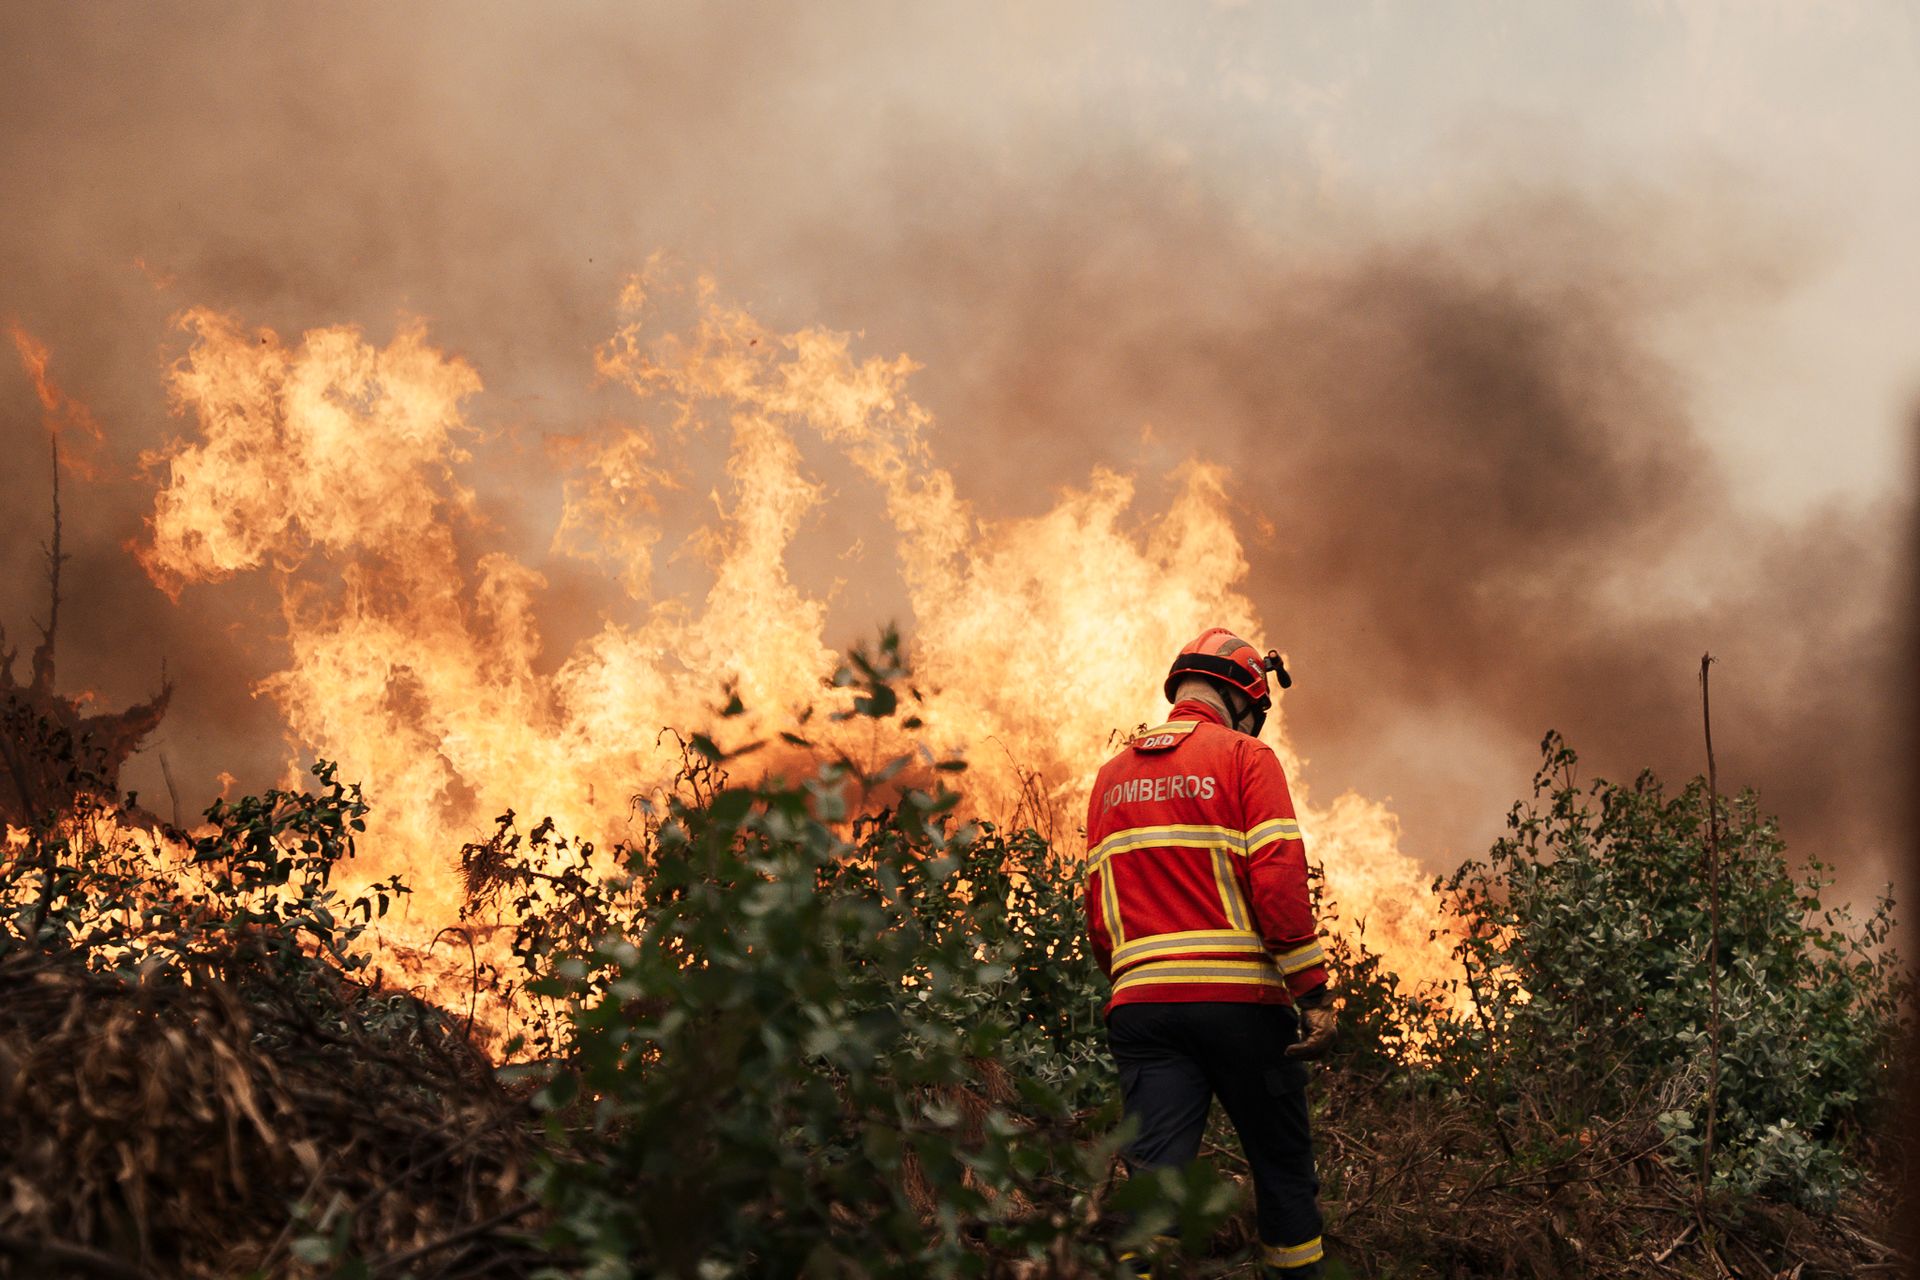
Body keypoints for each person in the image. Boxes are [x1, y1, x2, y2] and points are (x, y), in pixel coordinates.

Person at [1084, 628, 1336, 1279]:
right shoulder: (1247, 757)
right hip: (1243, 1007)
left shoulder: (1109, 780)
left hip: (1142, 1011)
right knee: (1282, 1171)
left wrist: (1136, 980)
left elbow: (1099, 917)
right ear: (1243, 697)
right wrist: (1312, 992)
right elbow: (1277, 884)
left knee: (1152, 1196)